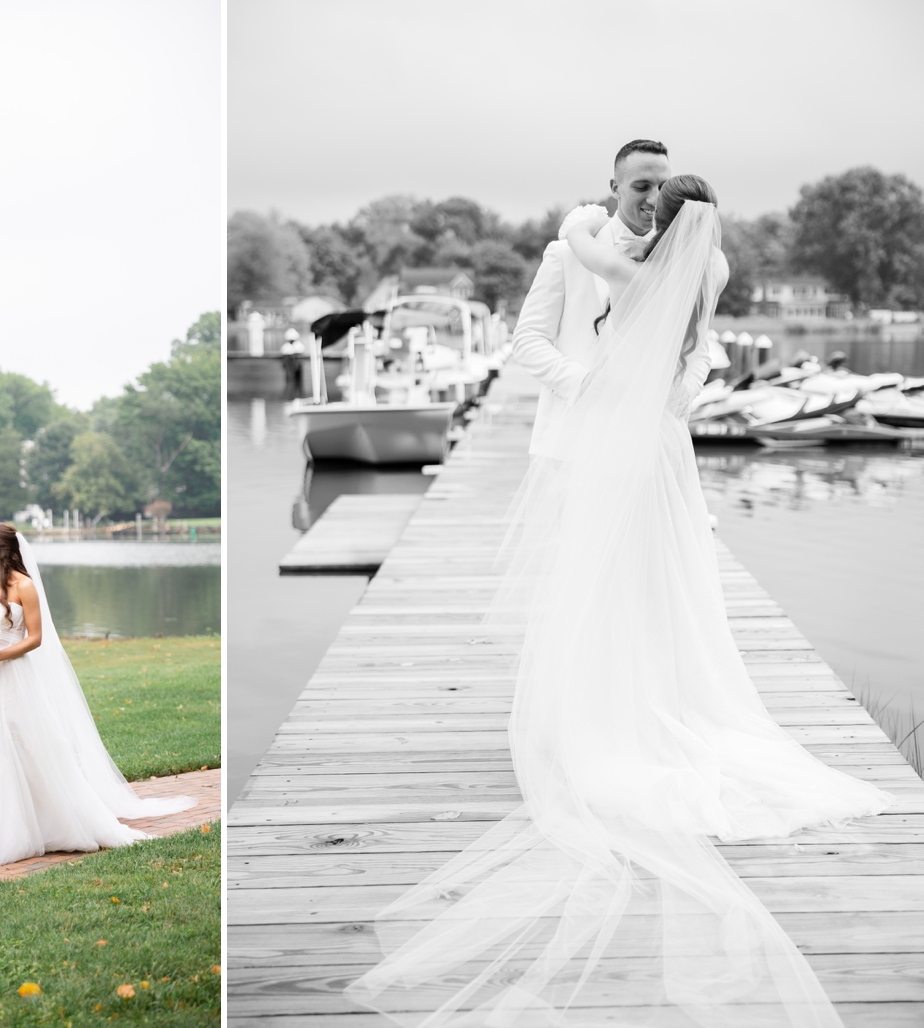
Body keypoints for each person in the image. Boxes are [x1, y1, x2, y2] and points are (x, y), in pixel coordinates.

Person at [345, 176, 892, 1025]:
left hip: (639, 442)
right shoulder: (694, 265)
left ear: (661, 211)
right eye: (634, 184)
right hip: (632, 442)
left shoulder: (621, 256)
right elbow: (592, 340)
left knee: (625, 582)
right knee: (638, 583)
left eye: (653, 192)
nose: (640, 203)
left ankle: (623, 715)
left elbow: (619, 274)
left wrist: (641, 362)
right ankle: (636, 699)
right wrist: (613, 385)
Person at [0, 523, 195, 866]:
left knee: (26, 744)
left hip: (13, 676)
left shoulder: (24, 586)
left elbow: (35, 638)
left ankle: (56, 821)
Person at [512, 139, 698, 457]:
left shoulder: (682, 260)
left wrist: (687, 390)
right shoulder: (566, 254)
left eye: (663, 187)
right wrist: (583, 383)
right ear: (615, 187)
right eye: (642, 186)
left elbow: (700, 343)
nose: (655, 198)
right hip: (572, 443)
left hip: (652, 445)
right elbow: (527, 340)